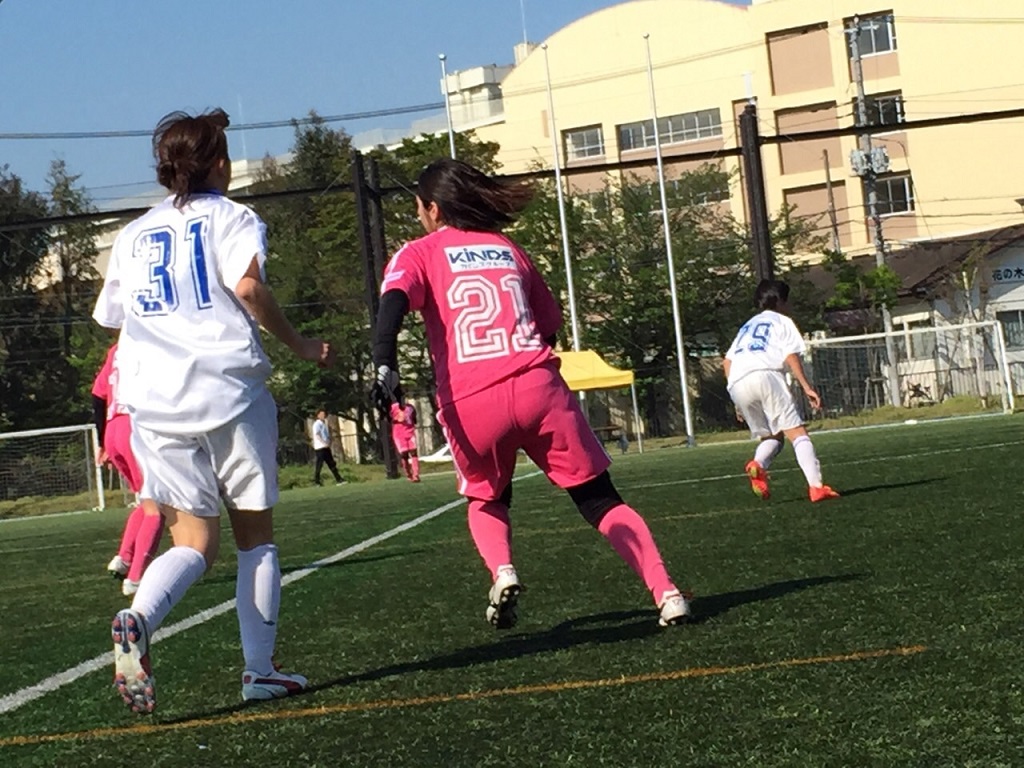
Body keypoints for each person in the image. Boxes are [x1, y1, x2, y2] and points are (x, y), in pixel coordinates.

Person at [371, 158, 689, 629]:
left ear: (432, 208)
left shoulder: (418, 252)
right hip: (539, 387)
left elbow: (393, 301)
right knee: (600, 499)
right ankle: (668, 593)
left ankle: (503, 570)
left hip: (471, 400)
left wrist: (385, 364)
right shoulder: (508, 249)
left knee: (487, 498)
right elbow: (550, 324)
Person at [92, 108, 335, 715]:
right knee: (255, 537)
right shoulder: (234, 217)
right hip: (228, 391)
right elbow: (247, 288)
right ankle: (260, 671)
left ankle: (140, 617)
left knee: (194, 541)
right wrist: (302, 345)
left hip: (153, 404)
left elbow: (112, 317)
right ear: (220, 164)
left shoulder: (132, 234)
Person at [723, 279, 840, 503]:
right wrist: (807, 387)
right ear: (780, 301)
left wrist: (736, 401)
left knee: (772, 436)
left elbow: (727, 363)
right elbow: (790, 355)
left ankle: (758, 464)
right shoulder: (782, 321)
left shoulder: (746, 327)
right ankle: (816, 487)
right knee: (798, 434)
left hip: (737, 383)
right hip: (766, 375)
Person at [93, 343, 165, 597]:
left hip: (113, 428)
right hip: (134, 428)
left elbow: (97, 395)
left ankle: (124, 558)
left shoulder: (115, 350)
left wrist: (102, 442)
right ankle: (136, 576)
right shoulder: (149, 342)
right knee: (158, 506)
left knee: (145, 502)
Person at [311, 409, 345, 486]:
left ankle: (339, 479)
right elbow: (317, 435)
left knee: (331, 463)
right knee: (319, 465)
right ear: (318, 415)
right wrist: (323, 442)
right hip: (320, 447)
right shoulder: (317, 424)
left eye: (324, 414)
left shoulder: (324, 423)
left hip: (326, 447)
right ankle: (316, 481)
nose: (323, 416)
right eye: (321, 414)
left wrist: (329, 442)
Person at [389, 401, 420, 482]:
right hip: (399, 434)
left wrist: (412, 421)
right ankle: (408, 474)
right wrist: (397, 420)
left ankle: (416, 474)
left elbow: (414, 419)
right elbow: (389, 418)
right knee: (404, 453)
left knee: (413, 452)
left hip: (410, 432)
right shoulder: (394, 407)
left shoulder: (410, 407)